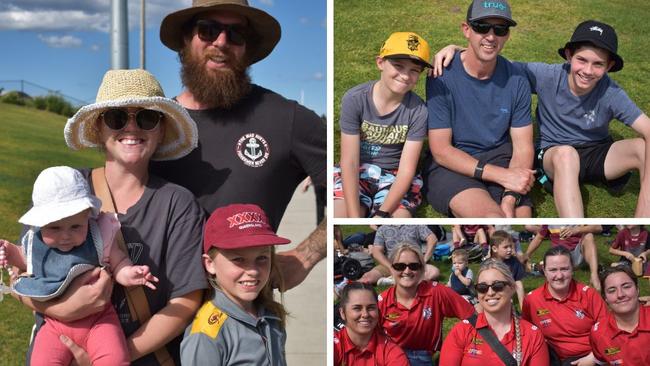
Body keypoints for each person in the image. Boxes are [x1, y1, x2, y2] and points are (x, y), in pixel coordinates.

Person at [17, 69, 207, 366]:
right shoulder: (64, 188)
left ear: (161, 130)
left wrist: (109, 356)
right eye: (116, 118)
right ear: (98, 128)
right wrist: (63, 310)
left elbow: (185, 301)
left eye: (147, 117)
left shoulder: (178, 204)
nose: (131, 128)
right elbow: (22, 276)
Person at [152, 0, 327, 289]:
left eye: (235, 34)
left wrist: (306, 256)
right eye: (207, 30)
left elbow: (348, 184)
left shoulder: (287, 119)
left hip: (243, 320)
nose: (221, 42)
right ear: (186, 38)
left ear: (247, 47)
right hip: (157, 313)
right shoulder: (153, 124)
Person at [433, 20, 650, 217]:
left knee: (643, 148)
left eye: (598, 64)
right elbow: (490, 60)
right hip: (555, 154)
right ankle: (575, 230)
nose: (587, 70)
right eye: (581, 60)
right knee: (566, 155)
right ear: (568, 55)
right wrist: (457, 48)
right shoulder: (546, 75)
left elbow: (646, 128)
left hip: (595, 152)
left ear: (609, 66)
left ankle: (644, 221)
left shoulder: (611, 93)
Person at [0, 166, 158, 366]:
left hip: (99, 320)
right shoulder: (37, 245)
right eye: (54, 228)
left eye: (75, 226)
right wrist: (7, 250)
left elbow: (118, 261)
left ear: (88, 217)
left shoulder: (99, 236)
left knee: (116, 359)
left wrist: (128, 273)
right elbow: (23, 258)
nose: (65, 236)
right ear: (40, 224)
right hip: (54, 325)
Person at [424, 0, 535, 218]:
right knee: (492, 218)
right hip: (453, 164)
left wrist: (510, 196)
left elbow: (523, 147)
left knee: (520, 220)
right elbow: (441, 150)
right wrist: (503, 177)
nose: (491, 36)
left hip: (501, 158)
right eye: (482, 27)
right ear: (466, 30)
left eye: (500, 29)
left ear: (507, 35)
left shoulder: (517, 80)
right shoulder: (441, 76)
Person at [333, 31, 431, 218]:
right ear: (380, 63)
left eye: (414, 70)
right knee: (340, 214)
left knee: (400, 219)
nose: (405, 75)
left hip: (395, 176)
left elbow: (406, 170)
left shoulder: (419, 111)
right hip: (357, 171)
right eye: (398, 66)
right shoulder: (355, 99)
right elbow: (350, 161)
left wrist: (383, 213)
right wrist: (355, 218)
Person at [180, 204, 289, 365]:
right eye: (238, 259)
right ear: (210, 264)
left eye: (262, 258)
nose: (252, 271)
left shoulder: (271, 315)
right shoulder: (206, 334)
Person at [440, 259, 549, 365]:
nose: (490, 292)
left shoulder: (532, 335)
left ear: (512, 288)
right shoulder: (461, 331)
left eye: (498, 286)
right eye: (482, 287)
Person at [378, 244, 474, 365]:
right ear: (391, 269)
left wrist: (461, 350)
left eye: (413, 266)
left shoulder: (436, 292)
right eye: (400, 266)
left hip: (422, 358)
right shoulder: (382, 301)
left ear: (422, 269)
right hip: (391, 356)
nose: (407, 271)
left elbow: (472, 316)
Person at [522, 247, 608, 366]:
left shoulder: (589, 295)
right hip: (551, 358)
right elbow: (525, 335)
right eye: (553, 270)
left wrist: (594, 358)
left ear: (572, 269)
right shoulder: (532, 300)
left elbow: (608, 332)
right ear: (544, 271)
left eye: (564, 269)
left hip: (588, 358)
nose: (559, 275)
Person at [334, 282, 409, 366]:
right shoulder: (332, 346)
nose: (365, 314)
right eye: (357, 308)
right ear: (342, 313)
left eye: (371, 308)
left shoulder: (392, 352)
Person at [589, 265, 650, 365]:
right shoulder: (598, 333)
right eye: (612, 290)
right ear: (605, 298)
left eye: (626, 287)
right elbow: (600, 361)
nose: (620, 294)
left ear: (637, 290)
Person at [523, 225, 602, 291]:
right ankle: (536, 268)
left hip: (579, 253)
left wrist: (577, 230)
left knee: (589, 236)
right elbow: (539, 237)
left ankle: (594, 275)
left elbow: (599, 227)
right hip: (560, 257)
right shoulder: (550, 222)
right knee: (549, 261)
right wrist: (527, 254)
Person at [359, 225, 440, 285]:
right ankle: (400, 279)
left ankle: (393, 281)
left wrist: (424, 260)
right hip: (390, 264)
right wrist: (391, 268)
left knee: (434, 272)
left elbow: (432, 239)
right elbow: (376, 251)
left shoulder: (415, 224)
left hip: (414, 264)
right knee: (366, 278)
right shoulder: (382, 229)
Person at [489, 230, 525, 310]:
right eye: (505, 247)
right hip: (493, 290)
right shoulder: (489, 265)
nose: (509, 250)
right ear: (495, 249)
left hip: (508, 289)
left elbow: (517, 280)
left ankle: (523, 307)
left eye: (510, 246)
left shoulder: (514, 261)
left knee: (519, 283)